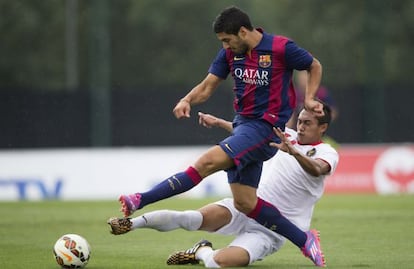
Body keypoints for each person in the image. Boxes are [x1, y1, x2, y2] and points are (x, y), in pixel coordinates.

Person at [116, 5, 325, 266]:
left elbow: (313, 65)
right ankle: (305, 240)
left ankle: (140, 199)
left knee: (205, 162)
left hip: (264, 128)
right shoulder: (229, 54)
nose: (225, 46)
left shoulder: (281, 48)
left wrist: (309, 98)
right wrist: (187, 100)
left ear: (243, 31)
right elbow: (207, 87)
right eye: (222, 42)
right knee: (246, 203)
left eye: (228, 40)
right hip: (243, 127)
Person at [108, 105, 338, 268]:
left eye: (307, 123)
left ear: (323, 127)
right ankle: (131, 223)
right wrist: (218, 122)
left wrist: (294, 151)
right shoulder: (287, 136)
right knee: (190, 218)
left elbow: (316, 169)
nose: (300, 127)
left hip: (272, 231)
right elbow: (250, 137)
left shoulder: (328, 152)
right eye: (299, 121)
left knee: (220, 262)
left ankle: (201, 252)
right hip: (247, 207)